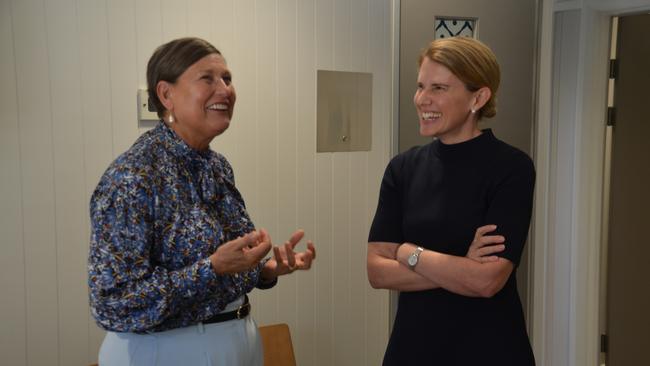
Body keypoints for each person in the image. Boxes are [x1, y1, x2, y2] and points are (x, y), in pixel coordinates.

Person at [88, 37, 316, 366]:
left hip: (237, 341)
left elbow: (225, 272)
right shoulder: (132, 177)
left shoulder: (217, 166)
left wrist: (265, 271)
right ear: (166, 94)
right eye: (207, 79)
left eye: (227, 78)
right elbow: (113, 303)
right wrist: (211, 269)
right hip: (165, 352)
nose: (225, 90)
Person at [367, 36, 536, 365]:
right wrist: (462, 266)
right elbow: (377, 272)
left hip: (489, 349)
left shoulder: (512, 168)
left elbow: (486, 281)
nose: (422, 99)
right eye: (420, 86)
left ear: (479, 96)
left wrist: (406, 253)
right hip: (413, 349)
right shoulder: (403, 168)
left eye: (439, 89)